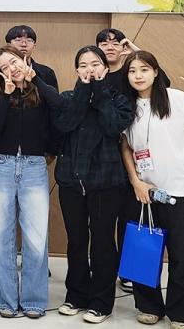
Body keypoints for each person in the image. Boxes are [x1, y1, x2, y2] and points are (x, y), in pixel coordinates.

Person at [120, 51, 184, 329]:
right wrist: (136, 181)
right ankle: (148, 305)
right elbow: (126, 146)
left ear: (156, 72)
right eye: (132, 71)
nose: (138, 76)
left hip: (179, 190)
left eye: (144, 69)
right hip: (144, 192)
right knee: (143, 249)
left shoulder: (175, 99)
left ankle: (182, 313)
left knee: (182, 254)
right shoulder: (127, 106)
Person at [54, 46, 134, 324]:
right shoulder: (68, 97)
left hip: (106, 183)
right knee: (76, 241)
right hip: (71, 182)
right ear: (77, 71)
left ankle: (101, 302)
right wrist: (83, 92)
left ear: (106, 68)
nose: (90, 69)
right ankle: (76, 296)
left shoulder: (118, 99)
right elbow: (65, 124)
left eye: (95, 64)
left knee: (102, 242)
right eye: (84, 65)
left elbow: (113, 126)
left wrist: (99, 92)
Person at [94, 28, 171, 294]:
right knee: (106, 220)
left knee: (131, 217)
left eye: (116, 43)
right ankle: (109, 269)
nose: (110, 46)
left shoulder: (131, 74)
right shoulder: (95, 75)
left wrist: (136, 52)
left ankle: (129, 272)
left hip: (134, 157)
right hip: (104, 159)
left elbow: (163, 84)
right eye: (104, 43)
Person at [0, 45, 62, 319]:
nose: (11, 68)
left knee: (36, 238)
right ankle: (7, 300)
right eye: (4, 67)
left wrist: (35, 79)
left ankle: (33, 300)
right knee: (1, 238)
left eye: (14, 62)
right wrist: (7, 95)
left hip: (33, 167)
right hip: (2, 166)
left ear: (24, 59)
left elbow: (60, 107)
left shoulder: (41, 88)